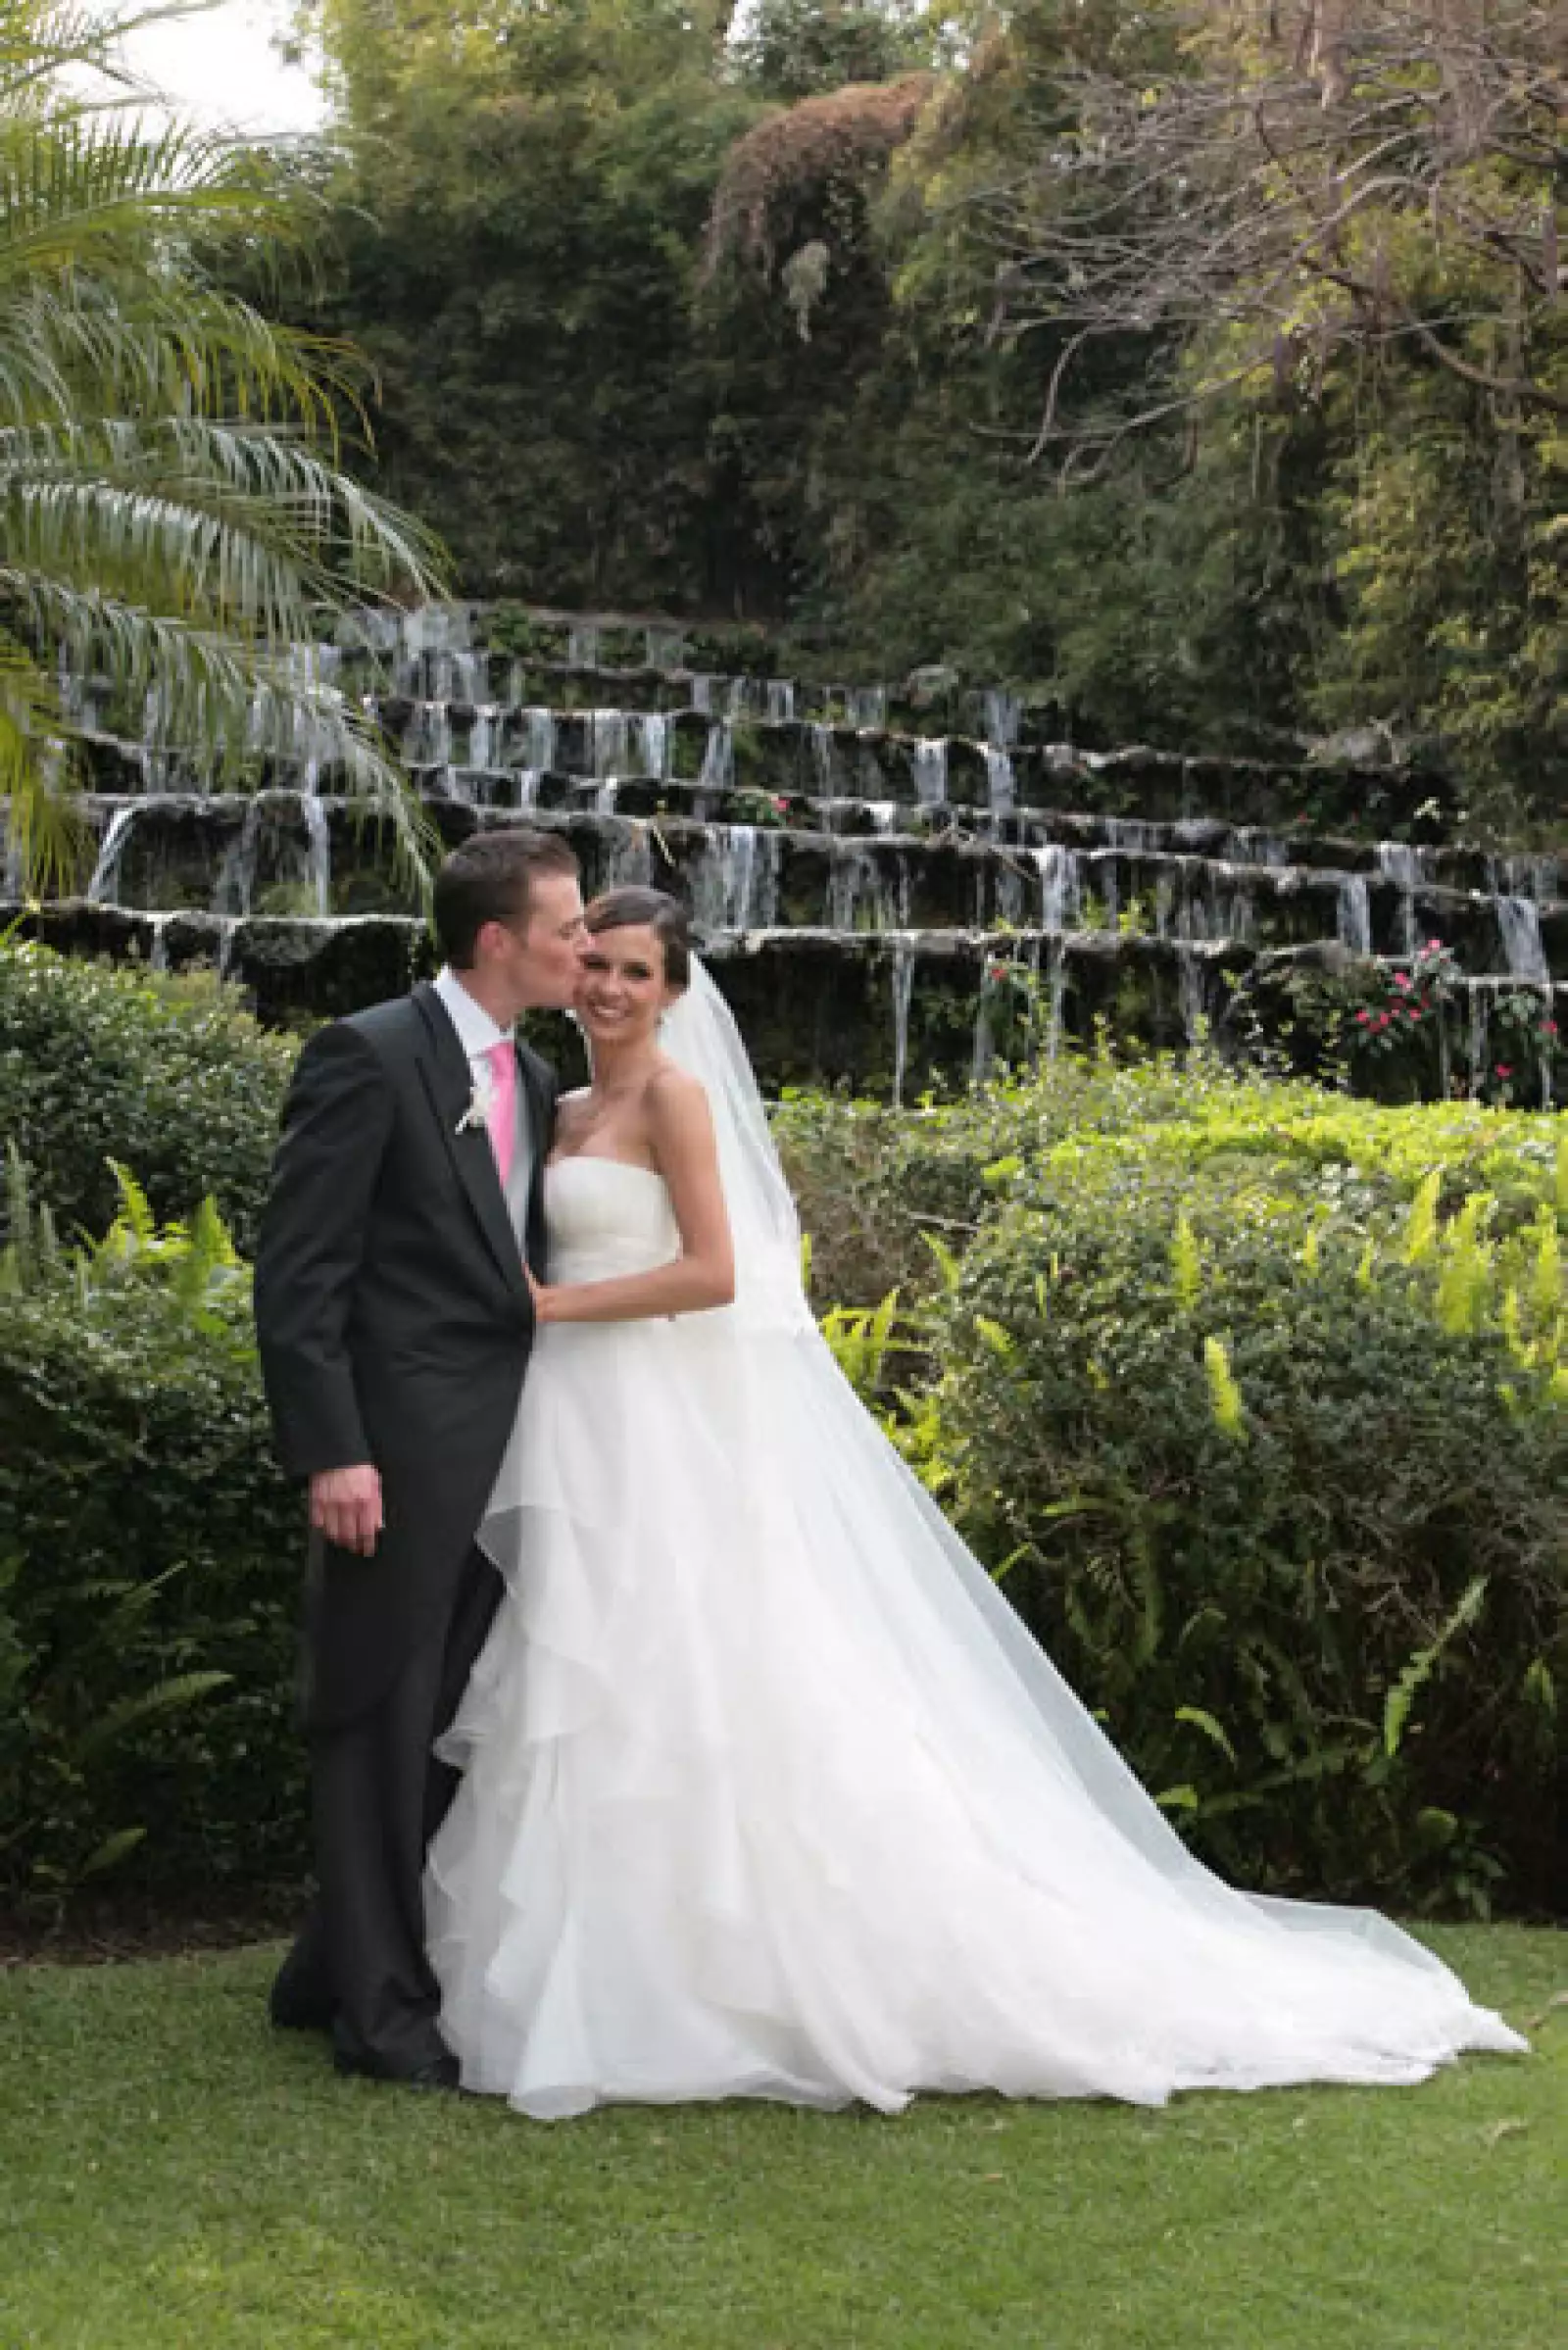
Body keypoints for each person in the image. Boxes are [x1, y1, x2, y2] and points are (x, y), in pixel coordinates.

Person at [425, 887, 1527, 2119]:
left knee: (689, 1669)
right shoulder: (564, 1105)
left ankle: (748, 1966)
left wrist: (548, 1304)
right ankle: (610, 1956)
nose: (611, 989)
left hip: (658, 1419)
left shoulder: (677, 1099)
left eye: (637, 971)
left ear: (676, 991)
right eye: (599, 967)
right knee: (594, 1676)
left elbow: (714, 1272)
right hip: (585, 1422)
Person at [254, 827, 585, 2086]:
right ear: (497, 939)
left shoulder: (537, 1074)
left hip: (506, 1463)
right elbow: (299, 1274)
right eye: (564, 930)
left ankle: (329, 1961)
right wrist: (332, 1450)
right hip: (390, 1458)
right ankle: (383, 2020)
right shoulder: (368, 1054)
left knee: (446, 1719)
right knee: (372, 1713)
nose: (583, 948)